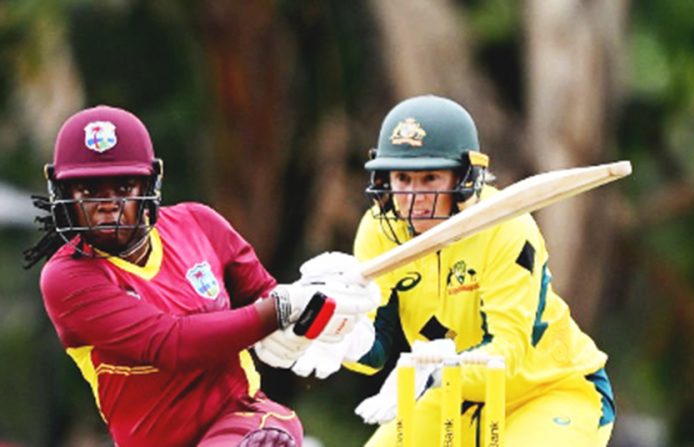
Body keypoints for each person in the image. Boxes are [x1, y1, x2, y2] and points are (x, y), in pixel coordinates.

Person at [23, 105, 378, 447]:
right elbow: (170, 344)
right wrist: (281, 310)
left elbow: (264, 296)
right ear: (63, 193)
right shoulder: (68, 277)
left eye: (123, 185)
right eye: (88, 190)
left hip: (243, 420)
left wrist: (314, 317)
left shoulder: (199, 224)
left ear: (150, 183)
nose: (106, 202)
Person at [283, 95, 616, 446]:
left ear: (465, 176)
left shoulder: (507, 228)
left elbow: (510, 352)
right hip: (453, 394)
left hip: (548, 390)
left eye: (430, 178)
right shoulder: (378, 231)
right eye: (402, 178)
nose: (415, 198)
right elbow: (378, 345)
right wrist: (347, 339)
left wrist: (444, 368)